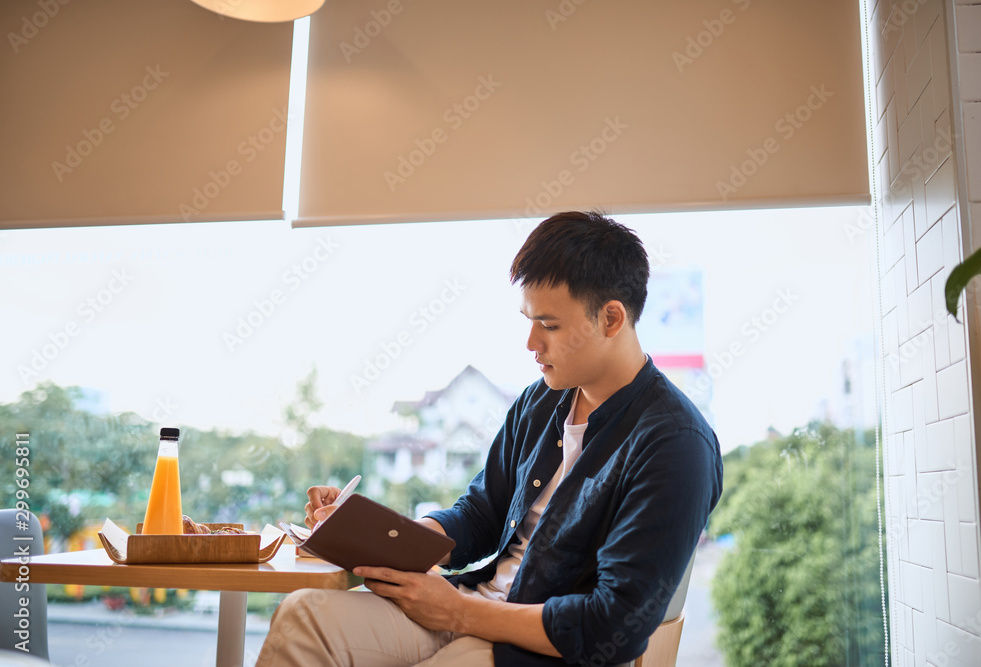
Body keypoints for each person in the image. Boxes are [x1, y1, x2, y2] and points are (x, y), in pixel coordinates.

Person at [256, 211, 723, 667]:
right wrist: (377, 533)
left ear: (612, 318)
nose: (531, 343)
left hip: (530, 648)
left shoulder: (675, 444)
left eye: (550, 325)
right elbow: (480, 514)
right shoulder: (540, 402)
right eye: (529, 320)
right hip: (467, 608)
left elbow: (613, 625)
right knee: (303, 616)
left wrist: (458, 611)